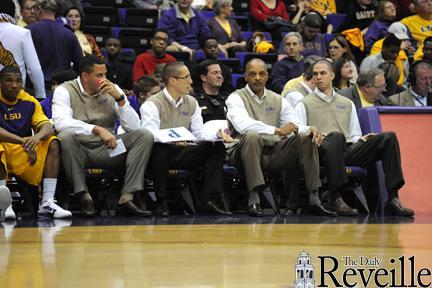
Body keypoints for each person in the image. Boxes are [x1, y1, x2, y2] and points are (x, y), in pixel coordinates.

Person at [295, 59, 414, 217]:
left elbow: (354, 134)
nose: (318, 77)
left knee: (388, 137)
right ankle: (336, 197)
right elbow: (298, 133)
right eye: (315, 74)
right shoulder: (304, 104)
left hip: (347, 150)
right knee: (336, 136)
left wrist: (362, 138)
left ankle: (392, 199)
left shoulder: (347, 103)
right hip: (321, 153)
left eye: (322, 73)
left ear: (332, 75)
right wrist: (312, 132)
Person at [226, 58, 334, 217]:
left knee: (306, 137)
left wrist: (309, 128)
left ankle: (314, 199)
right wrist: (277, 131)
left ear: (267, 76)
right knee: (252, 135)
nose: (257, 78)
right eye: (253, 74)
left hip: (272, 153)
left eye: (262, 74)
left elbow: (294, 124)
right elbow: (243, 125)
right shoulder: (235, 97)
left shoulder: (277, 99)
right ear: (245, 77)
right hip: (242, 153)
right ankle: (254, 198)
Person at [52, 55, 154, 217]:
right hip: (79, 151)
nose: (104, 79)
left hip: (109, 150)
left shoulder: (113, 90)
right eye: (99, 75)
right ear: (85, 77)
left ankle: (127, 198)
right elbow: (60, 122)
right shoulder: (64, 90)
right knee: (64, 136)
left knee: (144, 136)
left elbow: (134, 127)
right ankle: (84, 196)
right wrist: (96, 129)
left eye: (105, 74)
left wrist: (120, 100)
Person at [140, 62, 232, 217]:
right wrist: (172, 139)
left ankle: (207, 200)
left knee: (216, 147)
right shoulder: (152, 104)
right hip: (159, 153)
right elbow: (149, 134)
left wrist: (217, 134)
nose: (191, 81)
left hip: (184, 151)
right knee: (160, 149)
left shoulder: (192, 102)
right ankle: (161, 201)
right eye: (186, 77)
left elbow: (198, 133)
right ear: (173, 81)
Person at [0, 66, 72, 220]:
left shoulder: (29, 100)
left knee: (52, 142)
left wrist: (36, 138)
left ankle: (47, 201)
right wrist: (22, 140)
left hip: (24, 150)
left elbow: (47, 127)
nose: (14, 85)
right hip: (6, 148)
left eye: (18, 81)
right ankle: (3, 204)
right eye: (9, 81)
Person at [28, 0, 82, 96]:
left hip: (34, 89)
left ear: (39, 10)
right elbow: (79, 64)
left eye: (34, 9)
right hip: (62, 89)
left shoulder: (28, 31)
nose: (32, 12)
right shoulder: (70, 34)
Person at [0, 0, 46, 99]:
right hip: (15, 93)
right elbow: (34, 68)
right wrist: (40, 95)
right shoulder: (22, 33)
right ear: (13, 13)